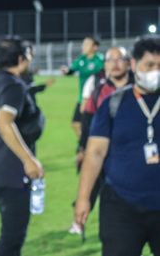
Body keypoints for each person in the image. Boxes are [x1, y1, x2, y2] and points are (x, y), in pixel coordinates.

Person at [75, 36, 160, 255]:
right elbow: (95, 153)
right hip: (121, 208)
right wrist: (84, 198)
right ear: (134, 65)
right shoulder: (114, 104)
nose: (155, 72)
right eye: (150, 65)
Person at [0, 38, 45, 256]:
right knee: (11, 239)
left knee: (12, 238)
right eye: (29, 58)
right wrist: (29, 159)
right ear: (20, 59)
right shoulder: (13, 86)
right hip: (11, 172)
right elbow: (3, 121)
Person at [68, 46, 132, 235]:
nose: (115, 64)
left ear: (129, 62)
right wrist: (82, 148)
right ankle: (79, 221)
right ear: (105, 65)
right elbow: (87, 121)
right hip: (103, 152)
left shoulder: (141, 86)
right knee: (95, 186)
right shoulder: (96, 87)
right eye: (110, 60)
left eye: (119, 59)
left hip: (131, 152)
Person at [61, 36, 104, 139]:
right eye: (83, 44)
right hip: (82, 98)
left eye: (87, 44)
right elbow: (71, 70)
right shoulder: (81, 59)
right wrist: (66, 71)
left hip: (96, 99)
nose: (83, 47)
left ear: (95, 47)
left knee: (91, 124)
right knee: (76, 124)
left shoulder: (100, 60)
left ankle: (88, 144)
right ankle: (86, 143)